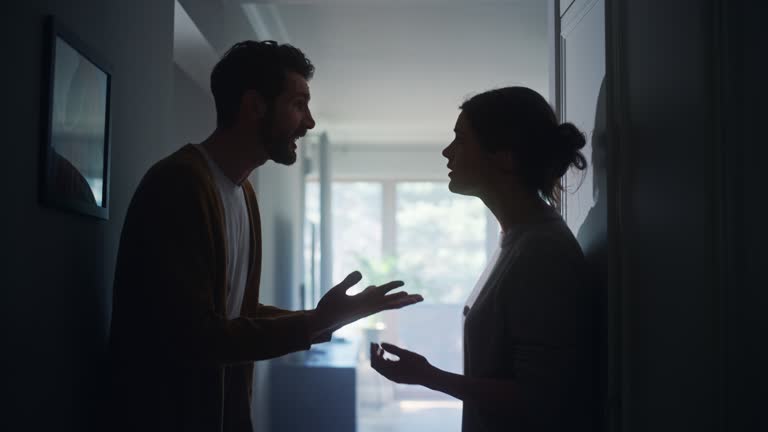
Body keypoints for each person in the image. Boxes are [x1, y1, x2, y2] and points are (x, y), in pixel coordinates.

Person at [108, 40, 422, 432]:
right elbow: (193, 337)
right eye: (298, 104)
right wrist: (317, 321)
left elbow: (240, 313)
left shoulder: (244, 192)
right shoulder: (180, 183)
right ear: (255, 106)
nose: (308, 122)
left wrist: (330, 319)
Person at [371, 87, 596, 432]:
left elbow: (541, 399)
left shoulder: (542, 251)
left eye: (460, 140)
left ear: (504, 156)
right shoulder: (520, 238)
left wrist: (428, 376)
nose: (447, 152)